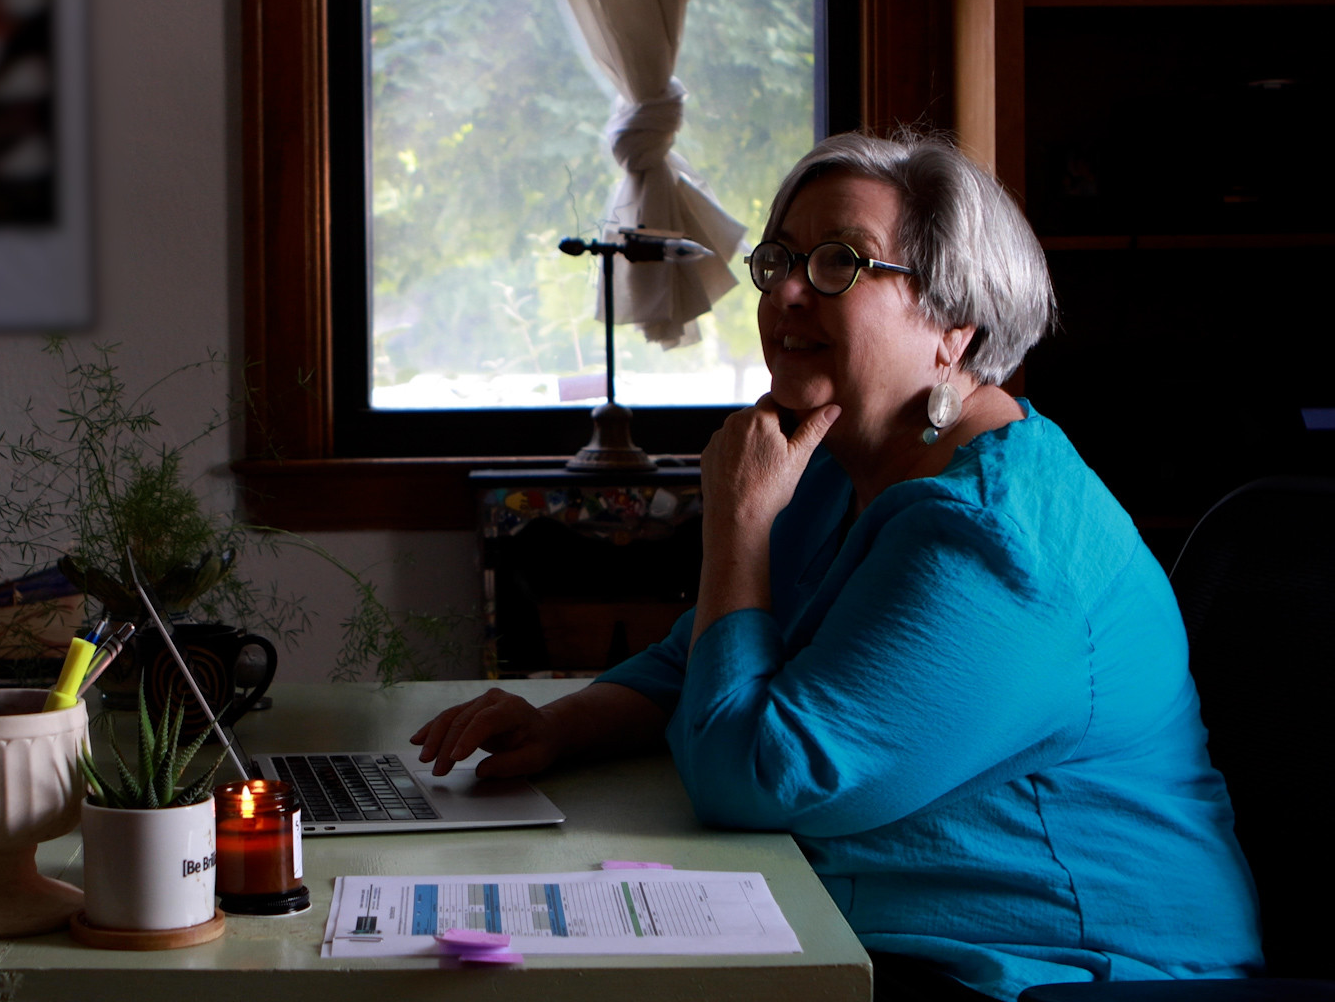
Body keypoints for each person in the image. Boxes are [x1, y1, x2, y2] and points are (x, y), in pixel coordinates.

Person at [411, 132, 1263, 1001]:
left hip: (1056, 975)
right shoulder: (842, 464)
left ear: (951, 326)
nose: (784, 289)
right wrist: (565, 725)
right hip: (860, 934)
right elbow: (701, 657)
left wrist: (738, 526)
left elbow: (753, 779)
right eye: (778, 258)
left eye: (838, 264)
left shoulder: (995, 542)